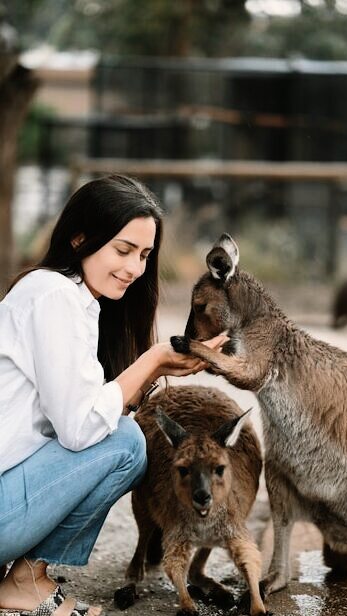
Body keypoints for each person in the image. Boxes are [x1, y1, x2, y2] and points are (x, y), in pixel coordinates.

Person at [0, 175, 227, 616]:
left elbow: (80, 414)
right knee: (126, 444)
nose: (135, 268)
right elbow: (81, 428)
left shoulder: (73, 300)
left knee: (121, 435)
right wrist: (152, 361)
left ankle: (22, 577)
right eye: (123, 250)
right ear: (80, 237)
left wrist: (157, 366)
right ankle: (25, 581)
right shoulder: (53, 296)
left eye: (144, 255)